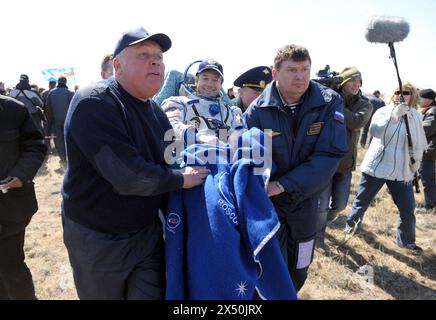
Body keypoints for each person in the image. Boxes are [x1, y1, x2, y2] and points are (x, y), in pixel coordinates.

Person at [61, 26, 209, 300]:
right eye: (143, 54)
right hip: (98, 239)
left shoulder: (155, 110)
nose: (156, 61)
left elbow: (176, 158)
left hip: (145, 234)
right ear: (117, 65)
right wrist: (181, 178)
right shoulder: (93, 102)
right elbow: (128, 175)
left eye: (159, 56)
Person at [244, 44, 347, 291]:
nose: (300, 76)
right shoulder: (256, 112)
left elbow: (330, 153)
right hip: (270, 207)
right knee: (267, 270)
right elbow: (247, 158)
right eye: (292, 70)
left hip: (307, 202)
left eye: (305, 69)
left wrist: (284, 184)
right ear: (275, 73)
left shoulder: (328, 102)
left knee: (300, 268)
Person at [345, 82, 427, 252]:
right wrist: (394, 117)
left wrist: (416, 163)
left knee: (407, 208)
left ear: (412, 95)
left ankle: (407, 241)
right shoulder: (383, 111)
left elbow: (419, 142)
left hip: (402, 170)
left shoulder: (415, 116)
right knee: (361, 202)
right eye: (398, 92)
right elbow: (376, 132)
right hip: (377, 166)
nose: (401, 95)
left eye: (405, 92)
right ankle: (350, 229)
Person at [315, 67, 373, 248]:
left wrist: (335, 102)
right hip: (324, 160)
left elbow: (356, 122)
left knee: (340, 205)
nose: (356, 84)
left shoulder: (365, 104)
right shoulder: (328, 96)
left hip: (345, 163)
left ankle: (326, 220)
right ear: (343, 82)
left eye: (359, 81)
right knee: (322, 204)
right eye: (351, 81)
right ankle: (318, 235)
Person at [0, 94, 47, 300]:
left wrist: (21, 175)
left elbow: (35, 145)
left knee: (11, 266)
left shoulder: (14, 110)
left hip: (9, 209)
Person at [161, 59, 243, 146]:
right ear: (196, 80)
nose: (209, 84)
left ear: (221, 84)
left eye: (215, 80)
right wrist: (198, 137)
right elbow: (170, 124)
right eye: (205, 78)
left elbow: (241, 132)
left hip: (226, 156)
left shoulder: (232, 112)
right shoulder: (178, 103)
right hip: (187, 156)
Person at [46, 77, 74, 163]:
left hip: (56, 120)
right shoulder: (70, 93)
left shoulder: (51, 93)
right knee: (68, 138)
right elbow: (73, 107)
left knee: (59, 138)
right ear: (66, 82)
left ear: (58, 82)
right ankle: (69, 155)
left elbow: (48, 109)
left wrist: (49, 123)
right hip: (68, 120)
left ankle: (63, 156)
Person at [417, 88, 436, 211]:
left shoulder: (432, 112)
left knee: (427, 179)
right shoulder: (429, 110)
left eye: (420, 98)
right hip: (428, 149)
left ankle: (430, 206)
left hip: (429, 150)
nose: (418, 100)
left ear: (428, 100)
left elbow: (425, 130)